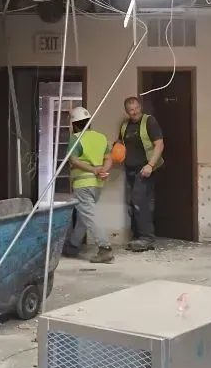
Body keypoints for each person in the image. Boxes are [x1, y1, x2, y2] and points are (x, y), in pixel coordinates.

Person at [63, 106, 114, 264]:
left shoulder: (76, 137)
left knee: (89, 216)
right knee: (83, 216)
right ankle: (73, 246)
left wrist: (92, 169)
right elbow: (108, 158)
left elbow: (73, 160)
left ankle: (105, 249)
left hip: (83, 183)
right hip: (97, 184)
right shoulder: (101, 137)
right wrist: (102, 170)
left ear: (74, 124)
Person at [119, 96, 164, 252]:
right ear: (127, 111)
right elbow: (122, 143)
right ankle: (142, 237)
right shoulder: (125, 125)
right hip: (130, 169)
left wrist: (150, 165)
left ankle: (146, 238)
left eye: (137, 108)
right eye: (131, 109)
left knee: (139, 202)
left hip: (145, 169)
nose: (135, 111)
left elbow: (159, 144)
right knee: (137, 203)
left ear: (140, 107)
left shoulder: (149, 121)